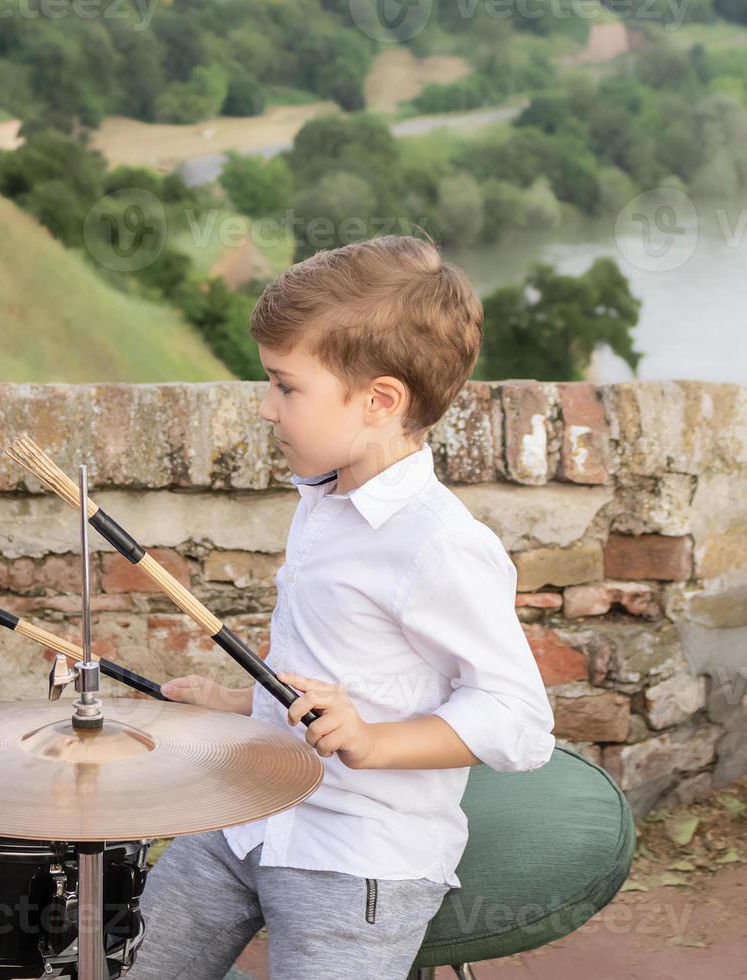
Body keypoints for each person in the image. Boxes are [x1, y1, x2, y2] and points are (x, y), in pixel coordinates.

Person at [121, 235, 557, 980]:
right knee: (126, 966)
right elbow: (346, 671)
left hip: (358, 859)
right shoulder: (327, 498)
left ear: (380, 401)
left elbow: (520, 722)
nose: (266, 408)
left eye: (286, 386)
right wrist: (243, 702)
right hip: (250, 815)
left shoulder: (439, 544)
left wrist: (373, 742)